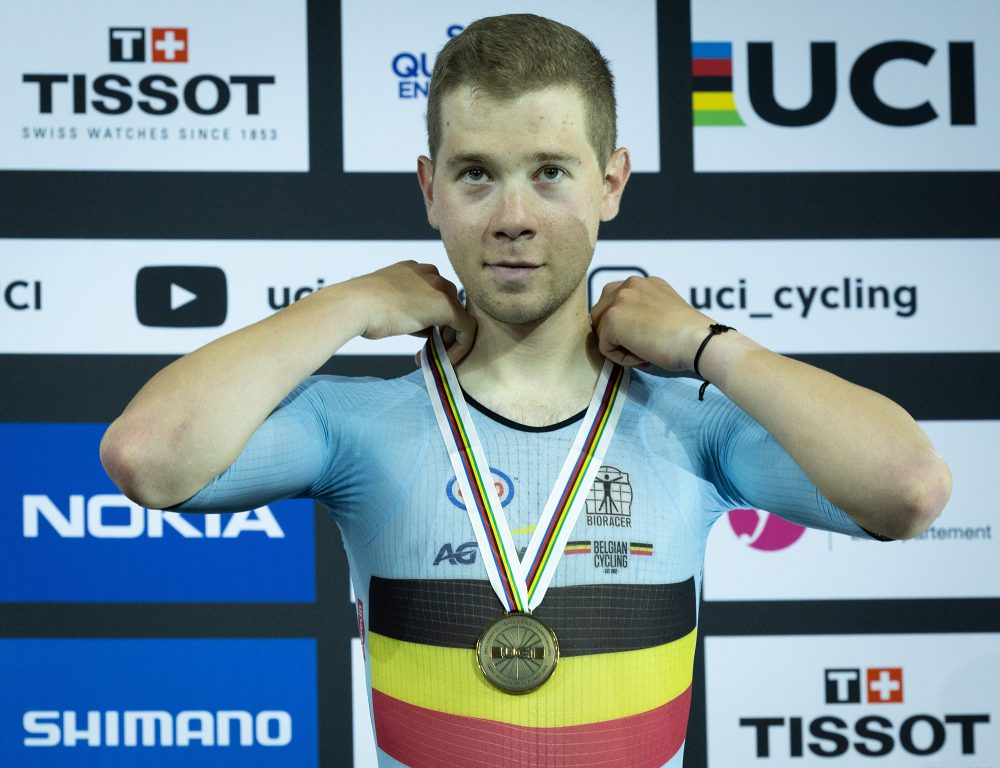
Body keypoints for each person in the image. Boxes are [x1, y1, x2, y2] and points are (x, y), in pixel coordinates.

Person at [100, 13, 951, 768]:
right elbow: (149, 459)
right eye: (476, 175)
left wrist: (707, 346)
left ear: (611, 183)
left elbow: (909, 491)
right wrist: (346, 304)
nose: (513, 214)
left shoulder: (692, 427)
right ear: (429, 191)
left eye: (550, 171)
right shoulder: (357, 424)